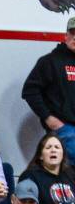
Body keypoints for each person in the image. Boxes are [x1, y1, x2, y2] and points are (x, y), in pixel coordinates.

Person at [21, 16, 75, 161]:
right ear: (66, 35)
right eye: (73, 32)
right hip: (65, 129)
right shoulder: (50, 61)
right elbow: (30, 91)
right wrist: (48, 118)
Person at [21, 133, 75, 204]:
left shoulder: (71, 173)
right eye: (48, 147)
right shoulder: (30, 176)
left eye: (57, 147)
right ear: (41, 155)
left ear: (63, 154)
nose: (53, 150)